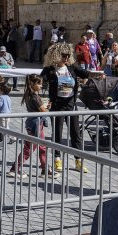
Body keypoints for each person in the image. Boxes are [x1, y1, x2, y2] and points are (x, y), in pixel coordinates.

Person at [42, 42, 91, 173]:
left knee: (76, 133)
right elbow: (39, 81)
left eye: (68, 55)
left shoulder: (72, 68)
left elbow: (86, 73)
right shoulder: (50, 70)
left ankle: (78, 160)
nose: (66, 58)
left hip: (71, 105)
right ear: (56, 55)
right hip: (57, 106)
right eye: (63, 55)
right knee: (57, 133)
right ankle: (57, 159)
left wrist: (98, 75)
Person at [10, 75, 50, 178]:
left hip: (36, 124)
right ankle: (15, 168)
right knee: (30, 147)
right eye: (39, 83)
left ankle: (45, 169)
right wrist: (49, 108)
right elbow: (43, 111)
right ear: (33, 83)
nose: (41, 86)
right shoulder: (34, 97)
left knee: (42, 146)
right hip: (35, 125)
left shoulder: (29, 94)